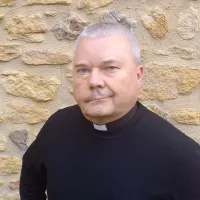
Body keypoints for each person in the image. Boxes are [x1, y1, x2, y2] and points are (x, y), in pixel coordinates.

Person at [20, 23, 200, 200]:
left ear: (138, 76)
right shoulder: (57, 127)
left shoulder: (182, 156)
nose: (94, 81)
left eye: (110, 68)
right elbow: (30, 179)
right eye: (83, 70)